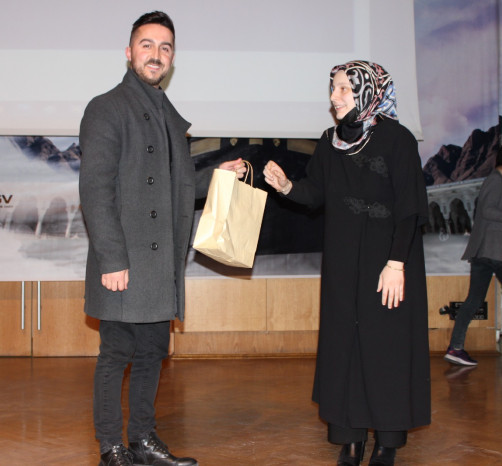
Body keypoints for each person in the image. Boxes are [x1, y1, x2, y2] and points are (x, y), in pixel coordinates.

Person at [78, 11, 245, 466]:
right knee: (116, 353)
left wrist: (217, 176)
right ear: (129, 52)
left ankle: (143, 440)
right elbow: (95, 190)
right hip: (124, 260)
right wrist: (112, 259)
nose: (156, 54)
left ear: (172, 58)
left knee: (152, 352)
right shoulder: (107, 107)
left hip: (159, 263)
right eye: (147, 45)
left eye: (165, 47)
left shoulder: (166, 114)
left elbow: (172, 188)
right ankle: (111, 447)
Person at [263, 60, 430, 466]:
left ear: (368, 92)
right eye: (333, 88)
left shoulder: (398, 139)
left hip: (388, 263)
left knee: (386, 348)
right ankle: (349, 439)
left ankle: (387, 440)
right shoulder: (329, 141)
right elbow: (315, 193)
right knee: (345, 347)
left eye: (343, 89)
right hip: (342, 264)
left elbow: (410, 208)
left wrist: (396, 264)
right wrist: (287, 186)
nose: (334, 97)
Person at [444, 140, 502, 366]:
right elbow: (488, 211)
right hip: (499, 254)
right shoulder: (495, 180)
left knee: (473, 300)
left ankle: (455, 347)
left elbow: (492, 215)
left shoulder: (494, 181)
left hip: (484, 253)